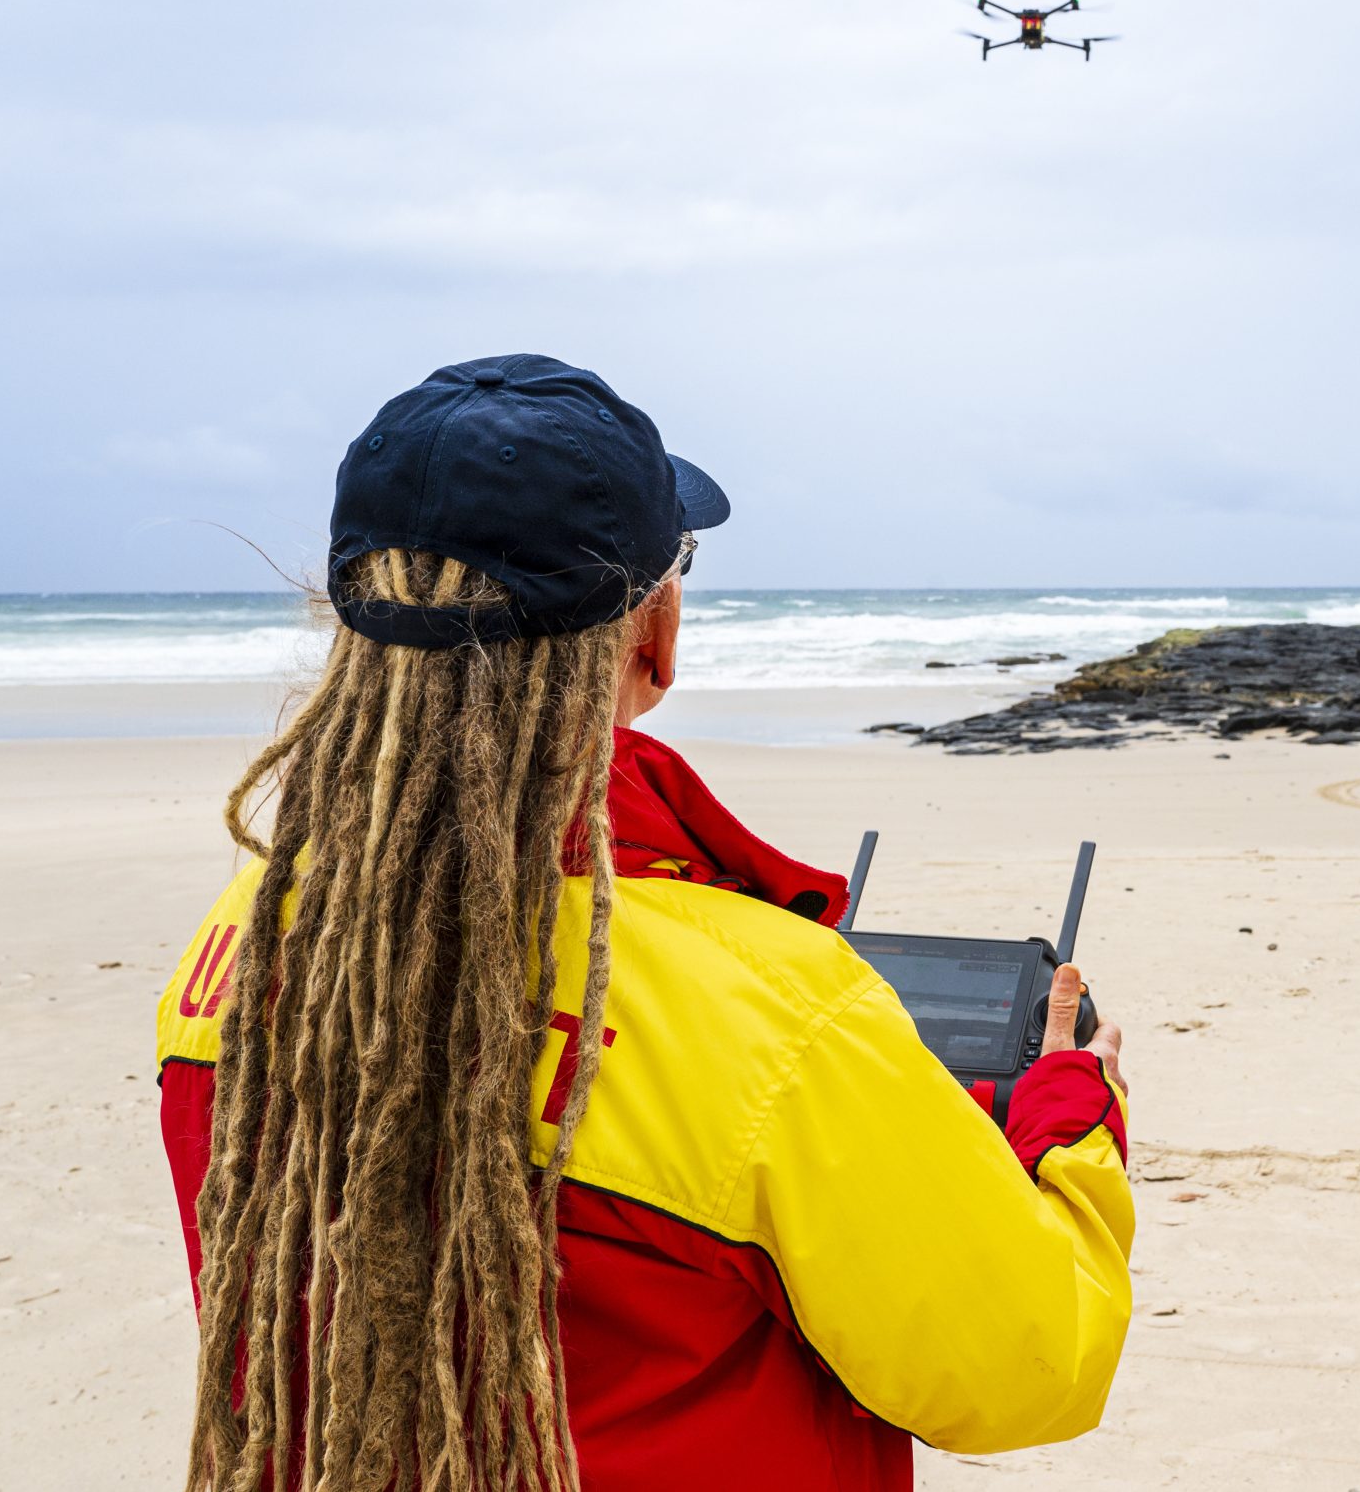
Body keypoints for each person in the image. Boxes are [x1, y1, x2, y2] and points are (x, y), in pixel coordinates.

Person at [154, 355, 1134, 1492]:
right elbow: (1023, 1367)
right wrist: (1069, 1124)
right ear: (654, 632)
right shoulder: (770, 1016)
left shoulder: (244, 939)